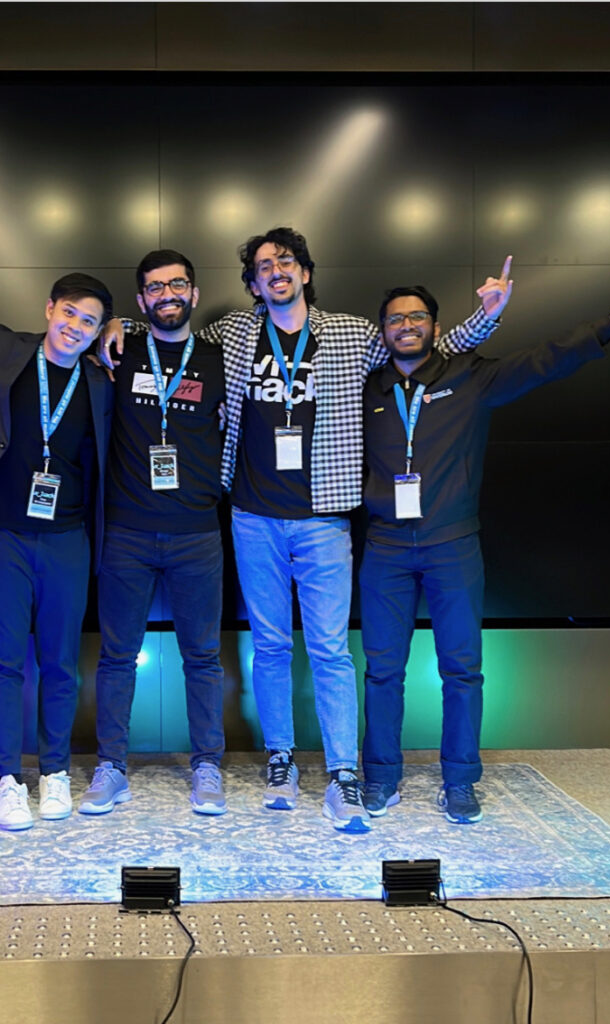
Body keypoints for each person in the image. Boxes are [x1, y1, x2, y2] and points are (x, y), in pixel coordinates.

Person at [195, 228, 511, 832]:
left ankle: (344, 772)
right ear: (254, 283)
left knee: (331, 651)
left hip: (324, 520)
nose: (275, 271)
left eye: (285, 261)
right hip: (252, 515)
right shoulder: (234, 332)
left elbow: (422, 344)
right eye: (263, 266)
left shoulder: (348, 333)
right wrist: (116, 330)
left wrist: (487, 318)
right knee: (269, 646)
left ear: (305, 272)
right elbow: (171, 334)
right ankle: (281, 759)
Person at [359, 269, 610, 824]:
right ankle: (381, 777)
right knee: (383, 670)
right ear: (382, 331)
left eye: (416, 318)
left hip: (452, 544)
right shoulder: (367, 389)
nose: (405, 326)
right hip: (384, 545)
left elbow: (545, 360)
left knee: (462, 668)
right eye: (395, 320)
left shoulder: (470, 376)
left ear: (435, 327)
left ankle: (460, 780)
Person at [0, 276, 114, 831]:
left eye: (89, 322)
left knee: (62, 663)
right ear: (48, 309)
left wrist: (123, 327)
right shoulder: (2, 348)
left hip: (67, 537)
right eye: (68, 314)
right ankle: (9, 779)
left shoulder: (100, 379)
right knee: (4, 661)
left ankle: (56, 772)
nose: (75, 328)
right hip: (1, 535)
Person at [78, 249, 228, 816]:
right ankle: (111, 767)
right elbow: (52, 339)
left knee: (203, 657)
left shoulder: (218, 359)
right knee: (118, 655)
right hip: (128, 531)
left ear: (193, 291)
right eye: (155, 288)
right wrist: (115, 324)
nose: (168, 294)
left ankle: (207, 765)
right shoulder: (116, 347)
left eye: (178, 285)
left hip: (197, 532)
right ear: (140, 300)